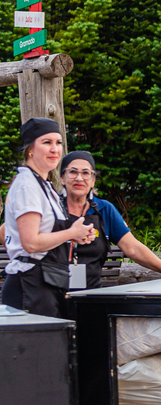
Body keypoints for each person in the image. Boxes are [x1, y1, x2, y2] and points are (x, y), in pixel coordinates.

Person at [59, 150, 161, 287]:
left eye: (86, 173)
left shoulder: (104, 209)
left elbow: (133, 248)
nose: (79, 178)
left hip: (91, 293)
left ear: (93, 181)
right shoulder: (52, 207)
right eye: (73, 172)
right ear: (62, 178)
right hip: (53, 291)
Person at [2, 118, 92, 317]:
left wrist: (77, 234)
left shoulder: (43, 185)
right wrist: (71, 233)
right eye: (46, 142)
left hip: (48, 282)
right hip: (30, 286)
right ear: (30, 149)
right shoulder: (27, 186)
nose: (55, 149)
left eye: (58, 143)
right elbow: (31, 243)